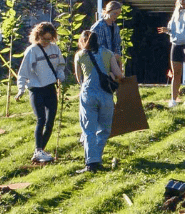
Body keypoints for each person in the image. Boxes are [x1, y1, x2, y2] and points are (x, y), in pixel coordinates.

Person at [16, 22, 66, 163]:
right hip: (36, 89)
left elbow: (60, 65)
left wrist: (61, 75)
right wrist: (20, 89)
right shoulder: (32, 51)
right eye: (44, 39)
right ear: (37, 36)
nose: (46, 42)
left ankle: (40, 151)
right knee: (41, 119)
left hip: (50, 87)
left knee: (50, 121)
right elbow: (23, 72)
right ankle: (38, 150)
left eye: (49, 39)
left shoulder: (55, 49)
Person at [74, 29, 123, 172]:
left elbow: (79, 79)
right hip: (106, 95)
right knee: (104, 129)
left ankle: (91, 162)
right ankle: (97, 159)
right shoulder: (108, 53)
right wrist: (111, 74)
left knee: (88, 130)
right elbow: (119, 75)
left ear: (82, 42)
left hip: (88, 94)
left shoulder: (80, 55)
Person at [159, 0, 185, 107]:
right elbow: (172, 28)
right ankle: (173, 99)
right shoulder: (176, 12)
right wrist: (167, 30)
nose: (182, 2)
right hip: (176, 44)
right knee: (176, 73)